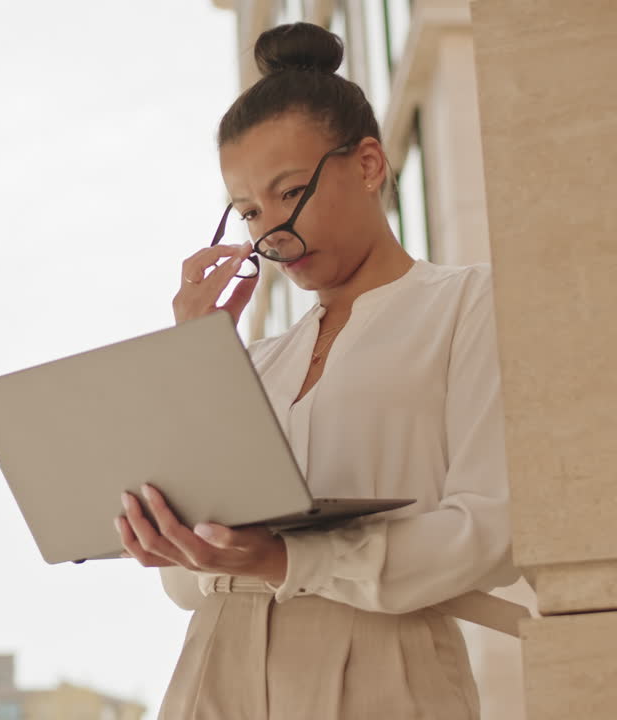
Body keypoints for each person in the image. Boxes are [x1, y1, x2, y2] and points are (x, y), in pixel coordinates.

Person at [112, 22, 521, 720]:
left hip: (382, 662)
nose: (268, 230)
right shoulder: (261, 361)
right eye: (246, 211)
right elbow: (187, 588)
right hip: (212, 663)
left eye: (289, 191)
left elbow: (494, 528)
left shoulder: (469, 305)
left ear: (367, 165)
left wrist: (287, 562)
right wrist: (196, 358)